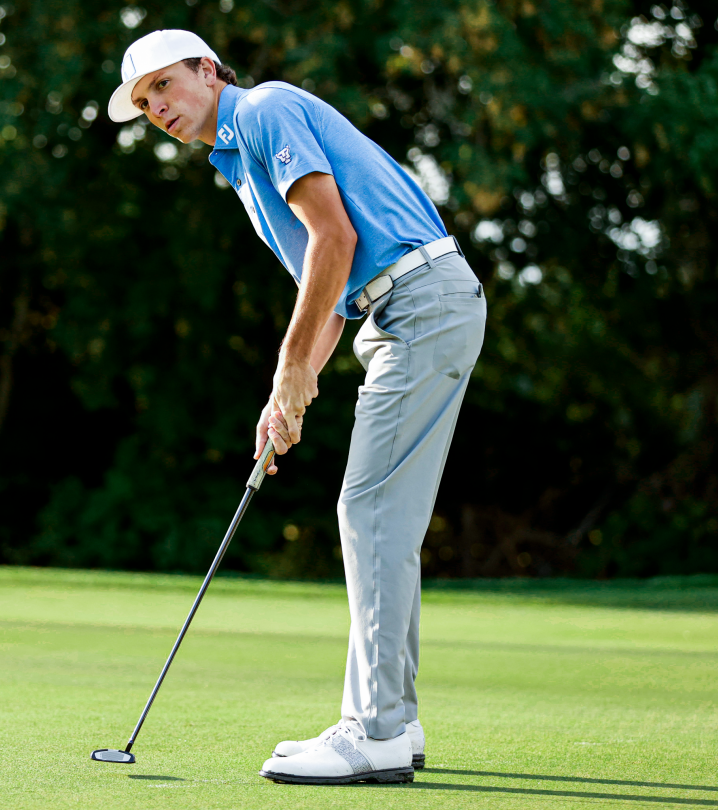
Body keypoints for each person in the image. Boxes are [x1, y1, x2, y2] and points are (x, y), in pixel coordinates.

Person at [107, 30, 487, 785]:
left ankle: (373, 730)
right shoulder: (241, 162)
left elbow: (334, 238)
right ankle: (396, 725)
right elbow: (338, 294)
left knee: (369, 512)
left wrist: (289, 367)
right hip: (401, 312)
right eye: (145, 102)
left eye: (165, 86)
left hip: (419, 303)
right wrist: (291, 395)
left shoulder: (265, 110)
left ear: (208, 71)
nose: (158, 108)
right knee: (383, 516)